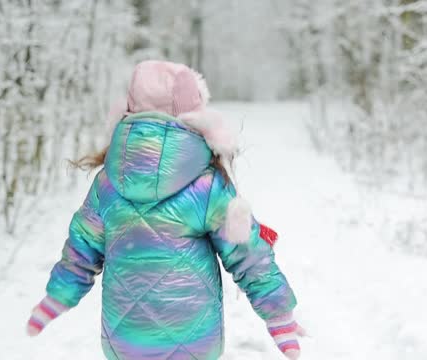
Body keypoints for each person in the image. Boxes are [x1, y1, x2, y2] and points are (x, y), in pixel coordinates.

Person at [26, 60, 303, 359]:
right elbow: (248, 254)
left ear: (128, 112)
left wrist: (57, 296)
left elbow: (81, 251)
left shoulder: (106, 183)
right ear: (196, 117)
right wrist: (278, 314)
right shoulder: (207, 186)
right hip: (195, 340)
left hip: (126, 341)